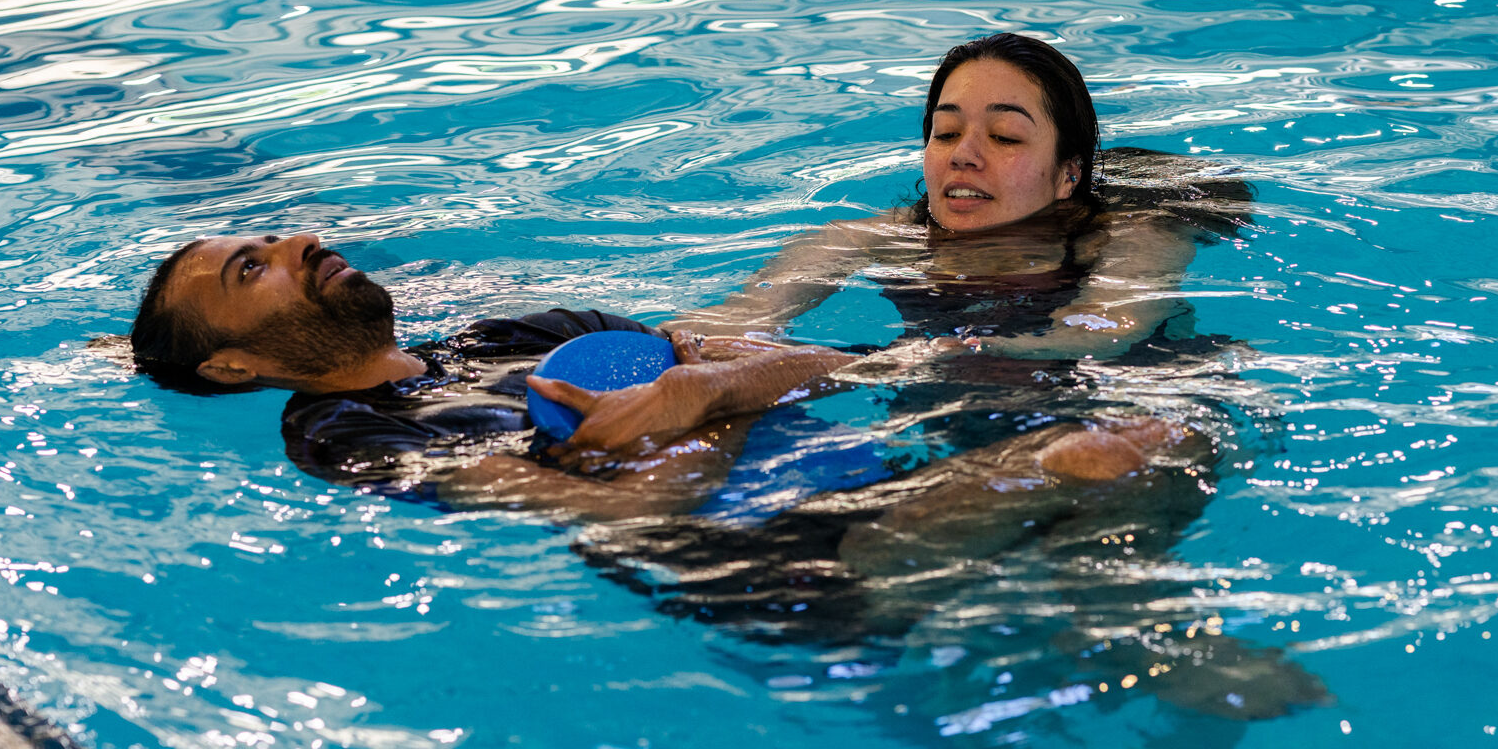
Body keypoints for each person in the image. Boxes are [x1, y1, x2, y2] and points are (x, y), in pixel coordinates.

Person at [126, 230, 1182, 521]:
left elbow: (834, 368)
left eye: (274, 236)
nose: (300, 240)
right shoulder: (340, 438)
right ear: (235, 364)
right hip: (783, 567)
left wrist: (708, 393)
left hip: (875, 468)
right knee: (1106, 457)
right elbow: (631, 516)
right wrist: (708, 406)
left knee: (1162, 446)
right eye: (252, 269)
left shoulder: (521, 333)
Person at [668, 33, 1252, 360]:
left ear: (1068, 175)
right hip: (949, 402)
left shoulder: (1130, 234)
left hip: (1126, 400)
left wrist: (917, 359)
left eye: (1005, 137)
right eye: (946, 133)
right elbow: (736, 320)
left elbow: (1104, 330)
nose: (963, 155)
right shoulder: (869, 240)